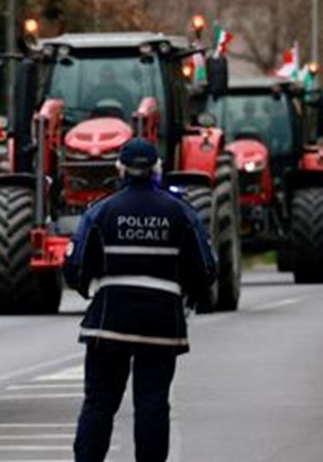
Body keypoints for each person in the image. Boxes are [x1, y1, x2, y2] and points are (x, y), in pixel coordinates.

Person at [63, 138, 217, 462]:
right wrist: (186, 296)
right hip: (161, 324)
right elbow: (206, 269)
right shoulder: (180, 212)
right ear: (157, 168)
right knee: (152, 402)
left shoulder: (102, 210)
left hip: (109, 322)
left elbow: (75, 266)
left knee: (100, 403)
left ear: (120, 168)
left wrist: (89, 289)